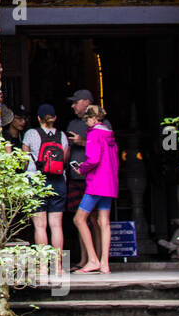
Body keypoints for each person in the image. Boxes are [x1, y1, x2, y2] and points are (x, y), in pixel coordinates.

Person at [22, 104, 68, 273]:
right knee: (56, 225)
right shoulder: (62, 136)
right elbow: (65, 160)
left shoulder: (30, 134)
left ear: (38, 118)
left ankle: (42, 267)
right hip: (57, 181)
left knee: (40, 226)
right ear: (54, 118)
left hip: (37, 181)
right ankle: (58, 266)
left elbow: (25, 160)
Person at [73, 105, 119, 274]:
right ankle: (104, 263)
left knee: (79, 219)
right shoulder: (109, 134)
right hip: (109, 183)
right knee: (104, 222)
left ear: (92, 119)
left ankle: (92, 259)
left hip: (96, 183)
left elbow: (93, 159)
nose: (86, 124)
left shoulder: (94, 134)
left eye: (87, 120)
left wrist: (82, 169)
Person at [64, 88, 95, 261]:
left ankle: (96, 258)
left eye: (76, 102)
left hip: (92, 178)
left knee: (95, 220)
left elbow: (104, 147)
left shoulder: (101, 124)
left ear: (86, 102)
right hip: (75, 178)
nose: (73, 106)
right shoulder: (73, 124)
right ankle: (85, 259)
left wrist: (82, 142)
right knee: (79, 220)